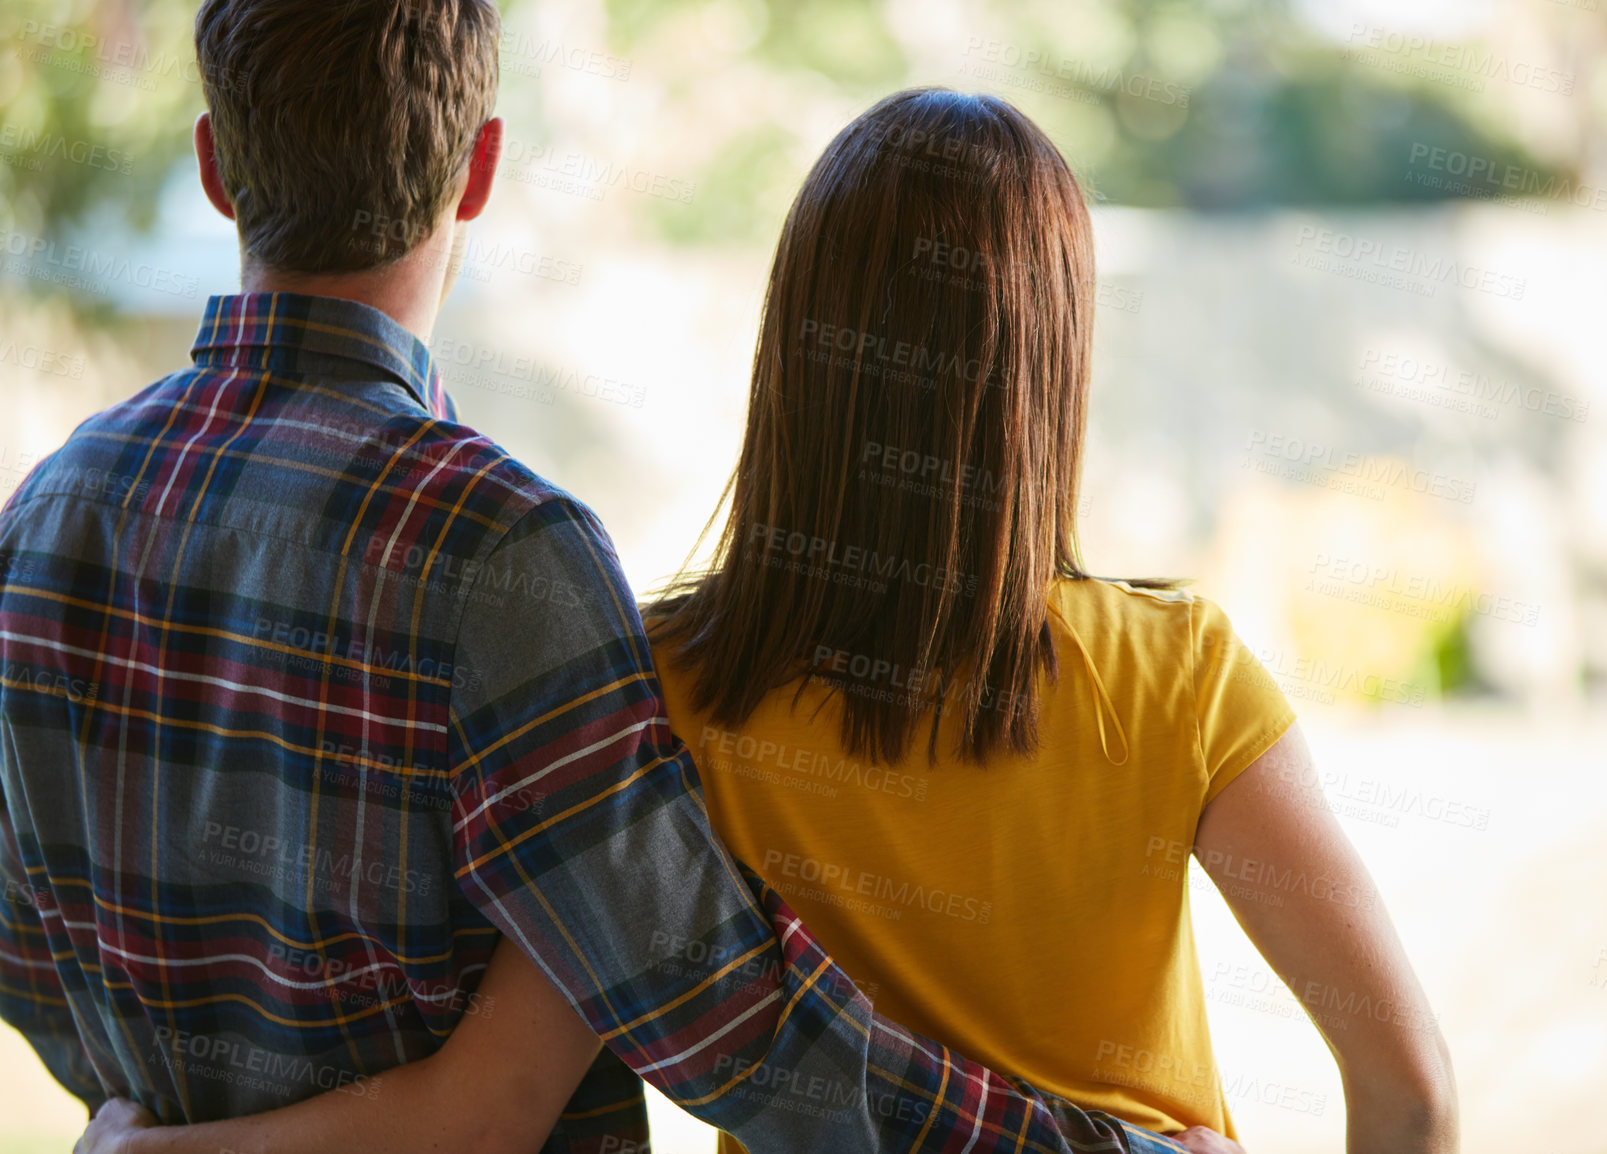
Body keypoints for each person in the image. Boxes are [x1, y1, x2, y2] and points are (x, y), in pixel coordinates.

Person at [75, 85, 1459, 1154]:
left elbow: (491, 1102)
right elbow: (1407, 1093)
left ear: (801, 344)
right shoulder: (1183, 677)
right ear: (1052, 357)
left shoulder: (666, 681)